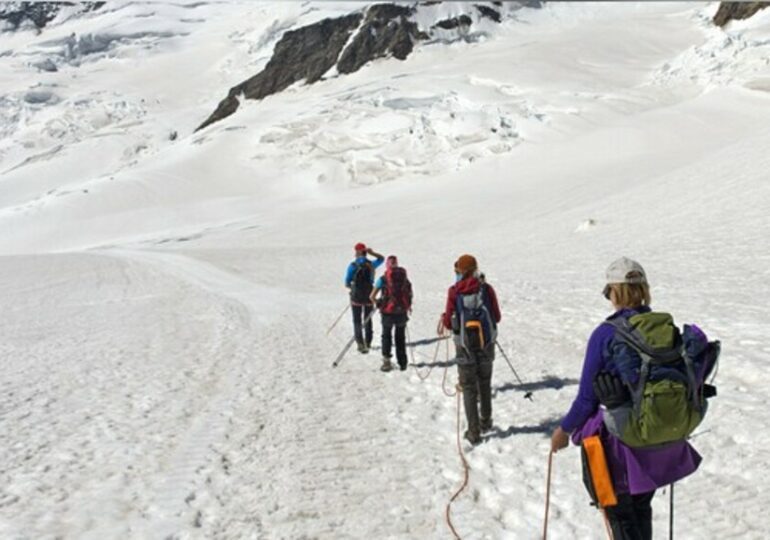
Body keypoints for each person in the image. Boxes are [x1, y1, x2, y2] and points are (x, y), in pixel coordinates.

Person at [550, 257, 707, 540]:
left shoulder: (606, 334)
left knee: (620, 514)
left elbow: (587, 398)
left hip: (619, 441)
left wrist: (564, 431)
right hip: (658, 437)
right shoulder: (663, 328)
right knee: (641, 507)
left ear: (615, 291)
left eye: (608, 290)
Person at [439, 254, 502, 444]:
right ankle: (486, 421)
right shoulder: (486, 289)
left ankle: (473, 432)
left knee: (468, 388)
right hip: (487, 344)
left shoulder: (454, 291)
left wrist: (446, 318)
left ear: (460, 272)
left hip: (464, 347)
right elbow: (496, 317)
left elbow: (449, 323)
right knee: (484, 382)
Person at [370, 255, 412, 372]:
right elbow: (409, 292)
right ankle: (402, 363)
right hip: (402, 311)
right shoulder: (404, 277)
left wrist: (378, 303)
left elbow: (371, 296)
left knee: (386, 336)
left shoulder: (383, 278)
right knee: (400, 337)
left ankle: (386, 362)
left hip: (387, 311)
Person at [344, 243, 384, 353]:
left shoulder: (353, 265)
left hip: (356, 296)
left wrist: (352, 288)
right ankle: (368, 342)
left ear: (357, 252)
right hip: (369, 295)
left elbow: (347, 281)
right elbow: (381, 259)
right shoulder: (371, 264)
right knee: (368, 318)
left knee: (357, 320)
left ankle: (360, 343)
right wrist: (373, 253)